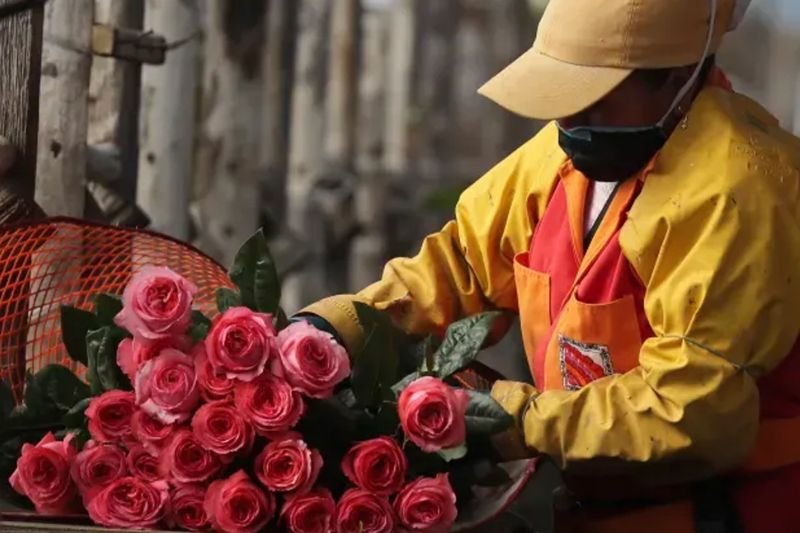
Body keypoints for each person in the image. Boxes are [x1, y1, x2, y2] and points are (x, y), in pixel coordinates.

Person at [299, 0, 800, 531]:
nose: (570, 117)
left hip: (730, 512)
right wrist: (337, 328)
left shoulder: (742, 190)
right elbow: (462, 264)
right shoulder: (565, 156)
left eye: (593, 99)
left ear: (677, 78)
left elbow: (694, 409)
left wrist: (508, 420)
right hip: (596, 503)